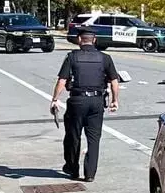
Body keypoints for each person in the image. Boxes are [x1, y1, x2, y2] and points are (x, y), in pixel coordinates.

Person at [50, 26, 119, 182]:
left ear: (79, 40)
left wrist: (55, 99)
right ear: (94, 40)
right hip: (97, 102)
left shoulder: (71, 57)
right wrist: (115, 101)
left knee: (73, 136)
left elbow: (62, 80)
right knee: (94, 139)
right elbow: (114, 81)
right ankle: (90, 174)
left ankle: (73, 168)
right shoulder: (105, 58)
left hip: (77, 101)